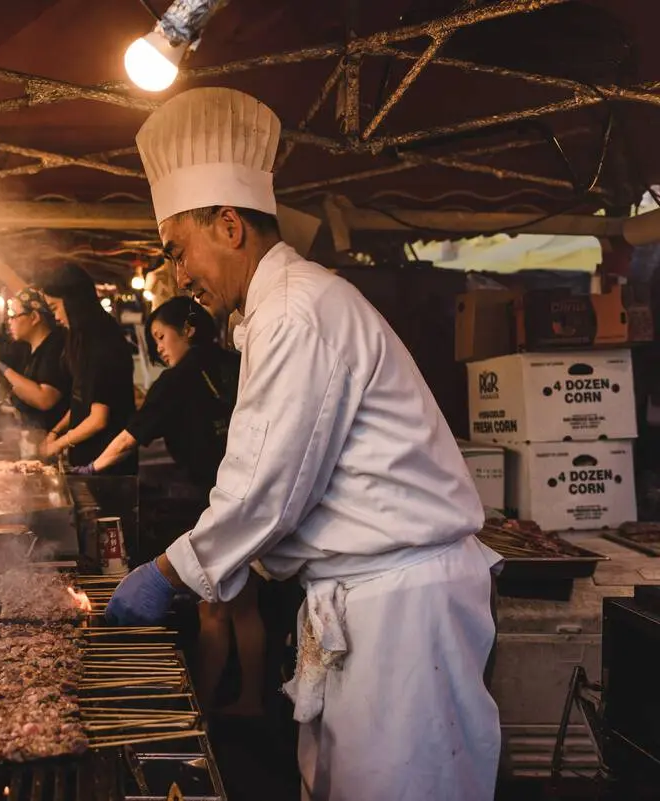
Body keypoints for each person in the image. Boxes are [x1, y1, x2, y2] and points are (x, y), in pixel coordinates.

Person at [104, 87, 502, 801]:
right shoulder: (278, 309)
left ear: (229, 225)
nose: (177, 275)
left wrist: (166, 574)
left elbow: (264, 487)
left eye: (176, 249)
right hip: (362, 599)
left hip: (401, 612)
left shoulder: (296, 310)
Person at [76, 297, 263, 714]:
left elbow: (130, 437)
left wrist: (91, 468)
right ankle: (252, 698)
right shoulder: (238, 361)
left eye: (161, 336)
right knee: (246, 605)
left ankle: (207, 710)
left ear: (189, 328)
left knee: (211, 609)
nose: (159, 347)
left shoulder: (177, 380)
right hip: (254, 497)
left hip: (214, 501)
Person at [36, 265, 137, 474]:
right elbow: (81, 399)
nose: (54, 316)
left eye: (54, 307)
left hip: (106, 465)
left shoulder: (102, 341)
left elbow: (98, 419)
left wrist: (58, 444)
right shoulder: (81, 338)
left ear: (72, 300)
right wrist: (56, 431)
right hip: (86, 459)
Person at [0, 287, 70, 433]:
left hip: (51, 438)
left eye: (14, 315)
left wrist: (3, 369)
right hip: (31, 435)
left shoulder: (54, 347)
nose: (9, 322)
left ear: (34, 317)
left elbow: (45, 399)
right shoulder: (27, 348)